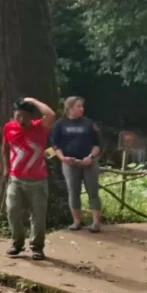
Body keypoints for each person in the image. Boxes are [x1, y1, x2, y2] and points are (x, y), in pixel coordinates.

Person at [4, 97, 57, 260]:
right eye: (17, 115)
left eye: (24, 116)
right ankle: (17, 243)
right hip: (15, 179)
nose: (21, 120)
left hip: (38, 181)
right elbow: (4, 149)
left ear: (31, 117)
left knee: (38, 216)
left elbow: (51, 115)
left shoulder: (40, 127)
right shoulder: (9, 128)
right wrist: (6, 168)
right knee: (12, 211)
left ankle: (37, 247)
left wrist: (32, 100)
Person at [51, 96, 102, 233]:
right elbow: (55, 145)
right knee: (73, 191)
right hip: (70, 163)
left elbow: (97, 145)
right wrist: (63, 158)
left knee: (93, 191)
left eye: (82, 106)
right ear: (69, 108)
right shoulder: (60, 124)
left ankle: (96, 222)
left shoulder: (89, 124)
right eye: (78, 106)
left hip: (89, 162)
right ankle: (76, 221)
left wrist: (91, 157)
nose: (82, 109)